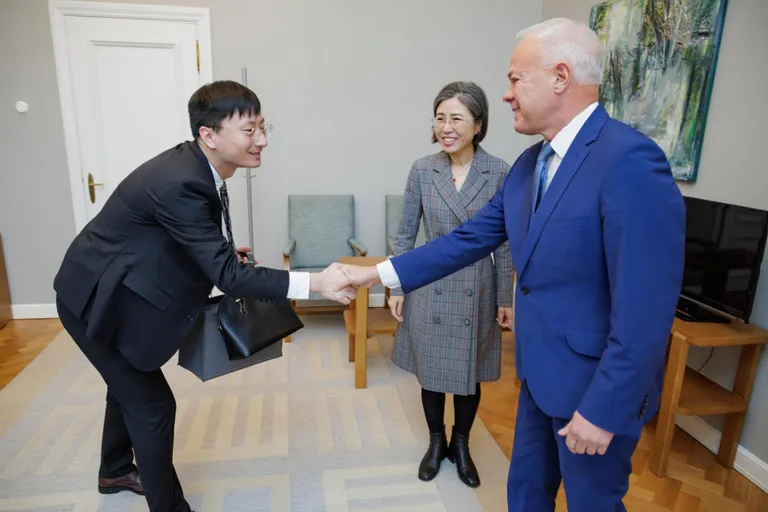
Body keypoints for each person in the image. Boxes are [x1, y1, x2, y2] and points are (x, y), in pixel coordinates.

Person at [341, 18, 685, 512]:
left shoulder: (629, 161)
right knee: (524, 495)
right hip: (539, 379)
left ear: (560, 77)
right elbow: (467, 240)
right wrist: (374, 274)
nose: (505, 95)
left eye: (515, 79)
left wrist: (605, 408)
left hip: (593, 390)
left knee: (593, 504)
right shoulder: (529, 166)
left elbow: (647, 310)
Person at [53, 80, 355, 512]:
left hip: (118, 283)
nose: (262, 141)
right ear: (208, 135)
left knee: (126, 387)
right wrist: (316, 283)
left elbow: (185, 239)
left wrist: (220, 251)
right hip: (92, 299)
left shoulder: (199, 169)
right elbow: (229, 277)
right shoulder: (182, 181)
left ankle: (114, 469)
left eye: (263, 128)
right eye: (249, 131)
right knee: (153, 405)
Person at [389, 81, 514, 487]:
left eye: (456, 118)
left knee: (467, 374)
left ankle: (461, 444)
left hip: (477, 286)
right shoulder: (423, 169)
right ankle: (436, 441)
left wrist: (504, 296)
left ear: (478, 124)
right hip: (429, 281)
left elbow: (508, 239)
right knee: (431, 373)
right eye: (440, 117)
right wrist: (396, 286)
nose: (446, 126)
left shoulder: (499, 171)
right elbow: (405, 232)